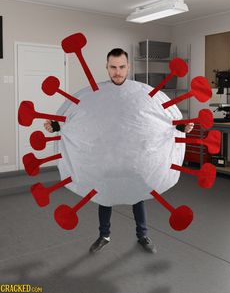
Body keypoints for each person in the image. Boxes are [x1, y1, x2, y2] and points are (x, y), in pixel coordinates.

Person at [44, 48, 194, 254]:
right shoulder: (92, 95)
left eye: (121, 67)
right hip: (106, 163)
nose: (117, 71)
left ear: (128, 67)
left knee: (138, 196)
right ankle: (103, 235)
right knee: (104, 196)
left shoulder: (143, 93)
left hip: (134, 163)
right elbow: (78, 120)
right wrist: (55, 126)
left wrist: (182, 127)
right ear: (106, 67)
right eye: (113, 67)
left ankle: (143, 235)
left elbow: (163, 119)